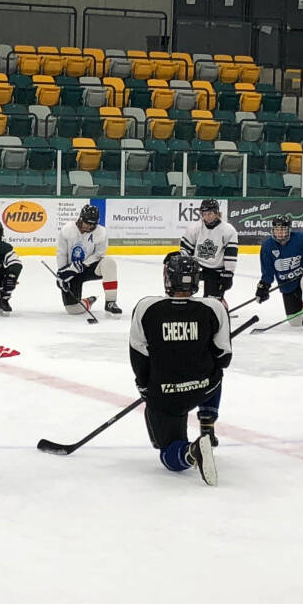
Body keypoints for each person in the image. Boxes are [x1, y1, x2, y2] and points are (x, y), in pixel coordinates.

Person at [128, 253, 229, 484]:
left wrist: (145, 388)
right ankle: (207, 420)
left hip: (166, 395)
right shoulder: (214, 307)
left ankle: (191, 451)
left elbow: (139, 356)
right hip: (203, 389)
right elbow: (224, 358)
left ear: (168, 279)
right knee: (216, 375)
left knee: (169, 453)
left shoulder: (146, 307)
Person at [255, 217, 303, 327]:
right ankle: (302, 317)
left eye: (283, 229)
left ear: (289, 230)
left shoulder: (301, 239)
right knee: (295, 323)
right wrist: (264, 285)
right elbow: (267, 271)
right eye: (277, 230)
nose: (280, 233)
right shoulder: (267, 246)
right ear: (272, 230)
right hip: (288, 286)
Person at [55, 204, 120, 315]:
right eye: (87, 223)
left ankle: (110, 302)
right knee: (73, 309)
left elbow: (98, 254)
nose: (89, 227)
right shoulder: (67, 230)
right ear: (80, 219)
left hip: (89, 268)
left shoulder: (101, 233)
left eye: (92, 224)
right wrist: (62, 273)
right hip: (72, 272)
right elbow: (61, 254)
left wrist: (83, 264)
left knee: (109, 262)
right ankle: (89, 301)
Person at [179, 198, 238, 299]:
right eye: (204, 214)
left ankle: (219, 302)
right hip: (196, 267)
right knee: (181, 289)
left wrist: (229, 273)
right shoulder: (195, 228)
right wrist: (183, 264)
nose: (206, 217)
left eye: (210, 213)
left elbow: (230, 254)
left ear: (216, 213)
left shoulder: (228, 230)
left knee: (212, 300)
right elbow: (185, 249)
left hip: (216, 270)